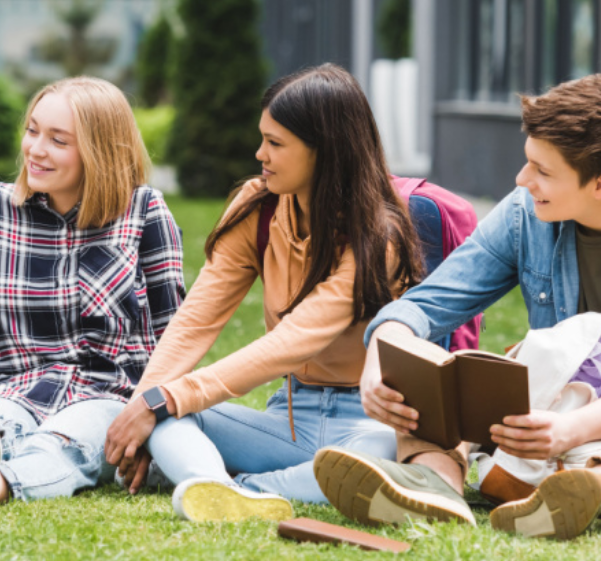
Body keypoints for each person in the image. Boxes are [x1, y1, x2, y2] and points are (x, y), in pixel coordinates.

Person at [317, 74, 601, 540]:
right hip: (552, 424)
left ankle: (596, 488)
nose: (522, 179)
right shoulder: (524, 214)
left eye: (542, 170)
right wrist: (381, 355)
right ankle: (434, 484)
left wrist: (570, 431)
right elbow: (428, 304)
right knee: (435, 361)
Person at [102, 63, 426, 522]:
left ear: (325, 152)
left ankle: (234, 489)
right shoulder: (258, 208)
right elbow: (197, 319)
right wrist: (147, 403)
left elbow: (294, 341)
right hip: (288, 418)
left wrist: (171, 396)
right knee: (163, 419)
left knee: (375, 460)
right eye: (263, 139)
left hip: (367, 421)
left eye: (275, 143)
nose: (260, 154)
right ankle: (219, 485)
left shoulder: (380, 237)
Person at [0, 77, 187, 512]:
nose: (36, 149)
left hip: (108, 393)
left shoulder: (144, 211)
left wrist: (151, 419)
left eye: (58, 140)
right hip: (15, 384)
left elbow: (173, 335)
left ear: (100, 150)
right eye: (32, 130)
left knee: (65, 442)